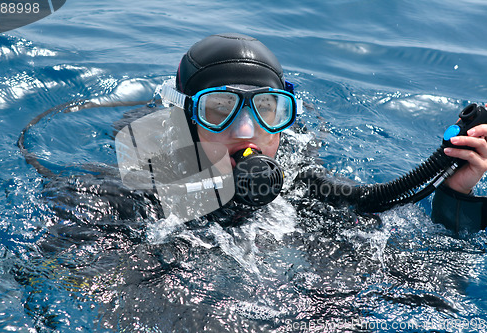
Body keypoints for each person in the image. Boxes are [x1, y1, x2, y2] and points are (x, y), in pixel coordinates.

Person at [157, 32, 487, 232]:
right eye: (219, 108)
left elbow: (434, 292)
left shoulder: (306, 193)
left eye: (266, 108)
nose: (246, 130)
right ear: (188, 119)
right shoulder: (147, 199)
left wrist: (455, 196)